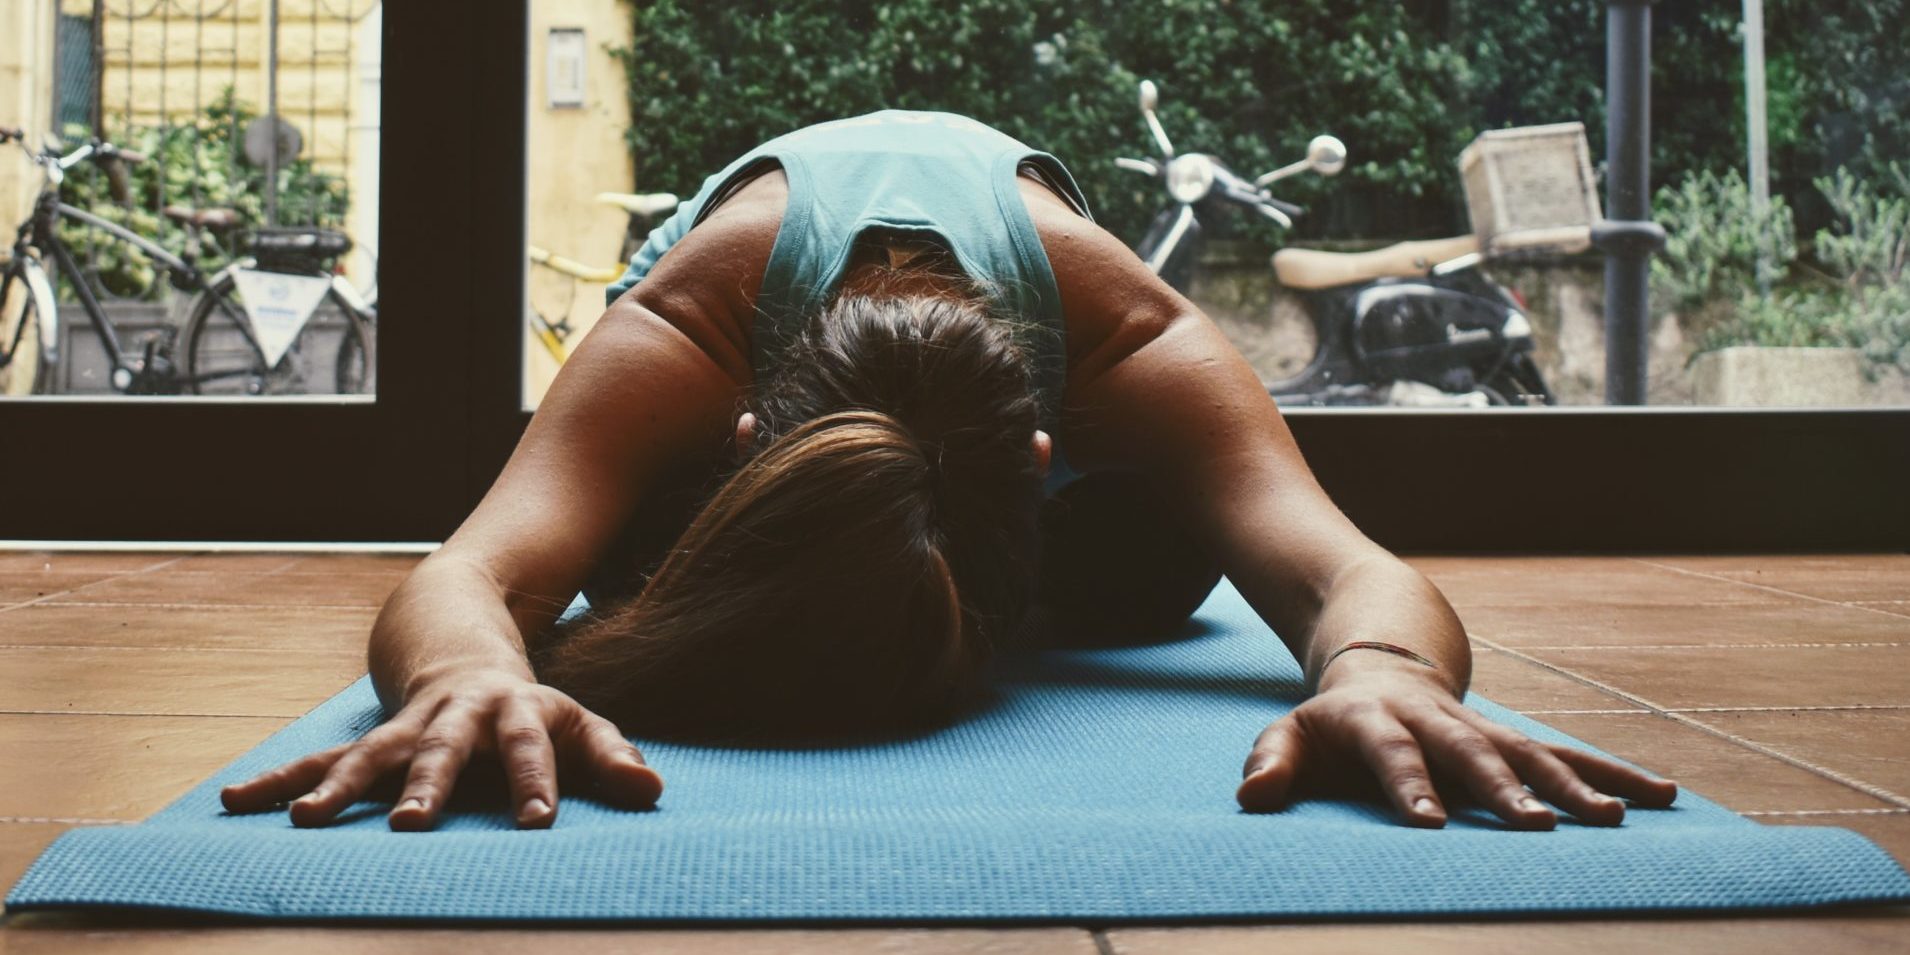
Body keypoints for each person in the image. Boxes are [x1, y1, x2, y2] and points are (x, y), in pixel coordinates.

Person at [221, 111, 1675, 832]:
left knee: (1179, 563)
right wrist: (464, 674)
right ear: (743, 442)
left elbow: (1343, 567)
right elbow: (473, 569)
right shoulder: (685, 326)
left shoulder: (1126, 336)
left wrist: (1384, 677)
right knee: (602, 557)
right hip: (755, 425)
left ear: (1041, 461)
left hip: (1062, 467)